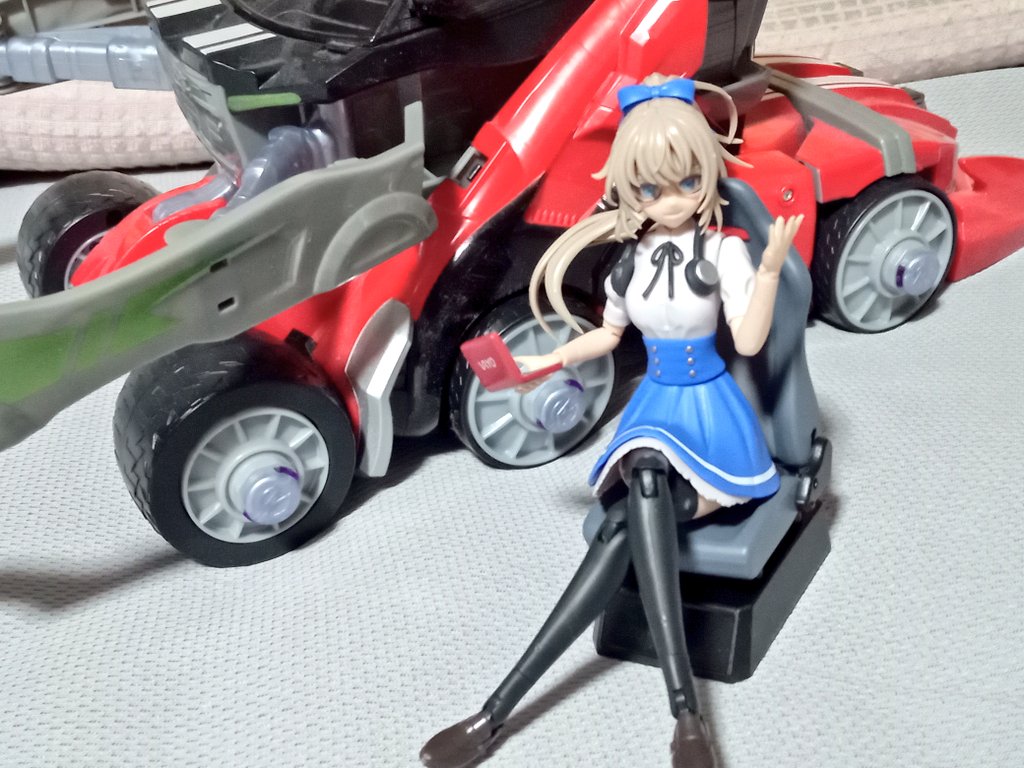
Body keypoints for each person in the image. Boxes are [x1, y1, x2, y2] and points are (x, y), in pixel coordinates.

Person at [421, 74, 802, 768]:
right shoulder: (629, 265)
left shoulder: (723, 252)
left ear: (706, 173)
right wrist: (542, 362)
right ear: (630, 190)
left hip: (708, 417)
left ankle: (497, 712)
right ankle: (684, 716)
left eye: (688, 181)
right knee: (640, 488)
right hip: (653, 408)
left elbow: (749, 343)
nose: (672, 199)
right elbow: (606, 336)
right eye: (652, 188)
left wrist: (771, 270)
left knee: (637, 498)